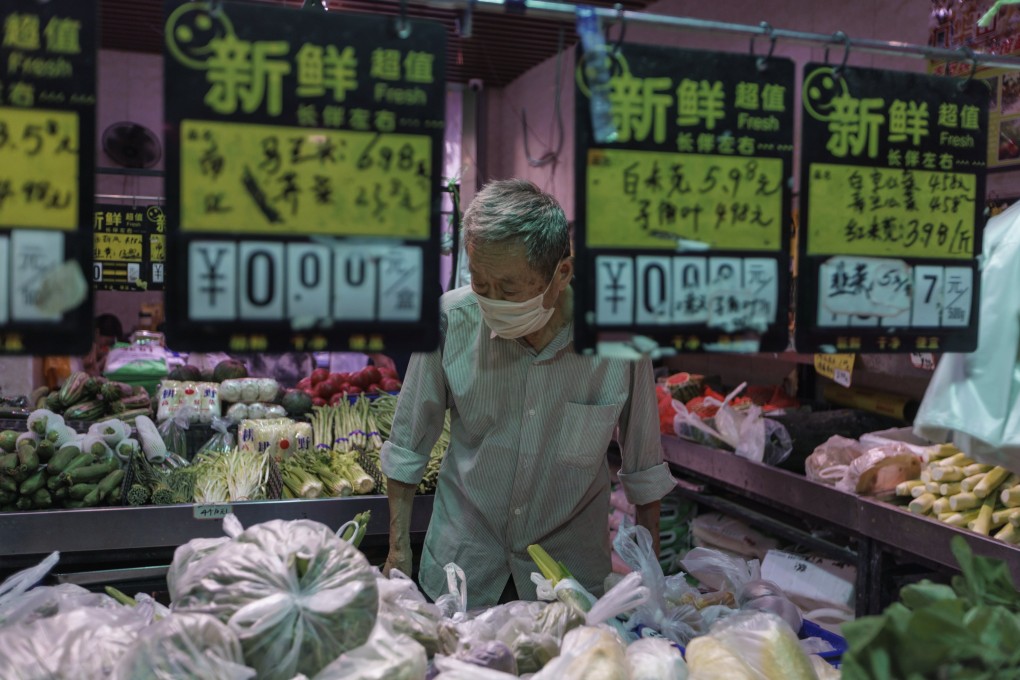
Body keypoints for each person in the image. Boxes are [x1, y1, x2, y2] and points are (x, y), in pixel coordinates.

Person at [381, 179, 675, 607]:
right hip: (462, 569)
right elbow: (407, 447)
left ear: (562, 275)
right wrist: (397, 551)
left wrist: (652, 581)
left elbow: (644, 470)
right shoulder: (451, 321)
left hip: (567, 581)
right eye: (480, 283)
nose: (492, 302)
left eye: (509, 289)